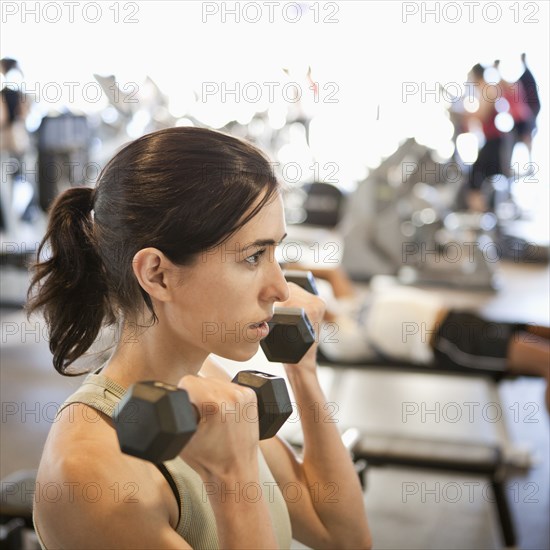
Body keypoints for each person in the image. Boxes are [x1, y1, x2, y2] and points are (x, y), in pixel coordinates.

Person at [26, 127, 372, 549]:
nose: (280, 288)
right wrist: (232, 477)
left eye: (276, 252)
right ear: (158, 274)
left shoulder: (208, 380)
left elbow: (343, 535)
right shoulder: (90, 469)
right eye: (252, 257)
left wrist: (303, 370)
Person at [303, 266, 550, 412]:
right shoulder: (336, 343)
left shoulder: (348, 307)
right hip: (450, 341)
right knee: (546, 361)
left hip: (458, 316)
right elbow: (324, 312)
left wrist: (286, 268)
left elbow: (334, 273)